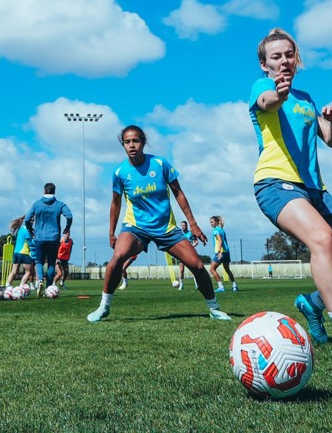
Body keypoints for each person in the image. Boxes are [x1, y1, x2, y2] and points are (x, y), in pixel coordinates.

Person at [250, 28, 332, 360]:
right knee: (321, 239)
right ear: (265, 65)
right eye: (276, 57)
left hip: (316, 191)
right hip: (275, 184)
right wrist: (278, 94)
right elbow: (267, 102)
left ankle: (311, 304)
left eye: (288, 55)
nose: (284, 61)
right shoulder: (262, 88)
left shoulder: (307, 99)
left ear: (296, 59)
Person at [87, 125, 230, 322]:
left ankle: (214, 308)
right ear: (123, 145)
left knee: (197, 265)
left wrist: (193, 223)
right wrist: (111, 232)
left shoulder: (160, 164)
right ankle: (104, 306)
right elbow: (115, 203)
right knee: (118, 257)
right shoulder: (120, 172)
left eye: (135, 141)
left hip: (166, 228)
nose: (132, 145)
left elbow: (178, 193)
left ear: (143, 142)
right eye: (127, 142)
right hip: (136, 228)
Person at [25, 182, 73, 296]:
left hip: (39, 237)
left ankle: (40, 279)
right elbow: (70, 216)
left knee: (39, 261)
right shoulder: (59, 204)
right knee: (51, 263)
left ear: (44, 191)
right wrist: (67, 228)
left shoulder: (37, 204)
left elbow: (27, 219)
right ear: (54, 191)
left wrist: (30, 230)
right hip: (54, 237)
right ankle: (48, 288)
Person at [5, 216, 36, 289]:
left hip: (16, 252)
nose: (32, 222)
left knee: (14, 271)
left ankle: (7, 285)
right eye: (31, 220)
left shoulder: (21, 228)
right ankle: (21, 287)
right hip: (24, 253)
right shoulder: (27, 230)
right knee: (29, 272)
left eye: (33, 220)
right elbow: (30, 243)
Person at [209, 216, 238, 292]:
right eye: (210, 222)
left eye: (212, 222)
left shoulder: (215, 230)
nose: (211, 224)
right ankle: (234, 286)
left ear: (216, 222)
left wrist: (219, 252)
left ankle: (221, 287)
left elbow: (220, 241)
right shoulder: (221, 230)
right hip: (227, 252)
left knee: (212, 269)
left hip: (220, 252)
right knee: (227, 269)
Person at [175, 220, 196, 291]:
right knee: (181, 270)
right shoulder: (180, 234)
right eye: (182, 225)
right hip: (181, 253)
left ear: (186, 226)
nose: (183, 227)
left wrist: (192, 246)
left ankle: (196, 284)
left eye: (184, 225)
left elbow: (196, 241)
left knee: (193, 269)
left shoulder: (190, 233)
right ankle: (181, 285)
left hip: (189, 253)